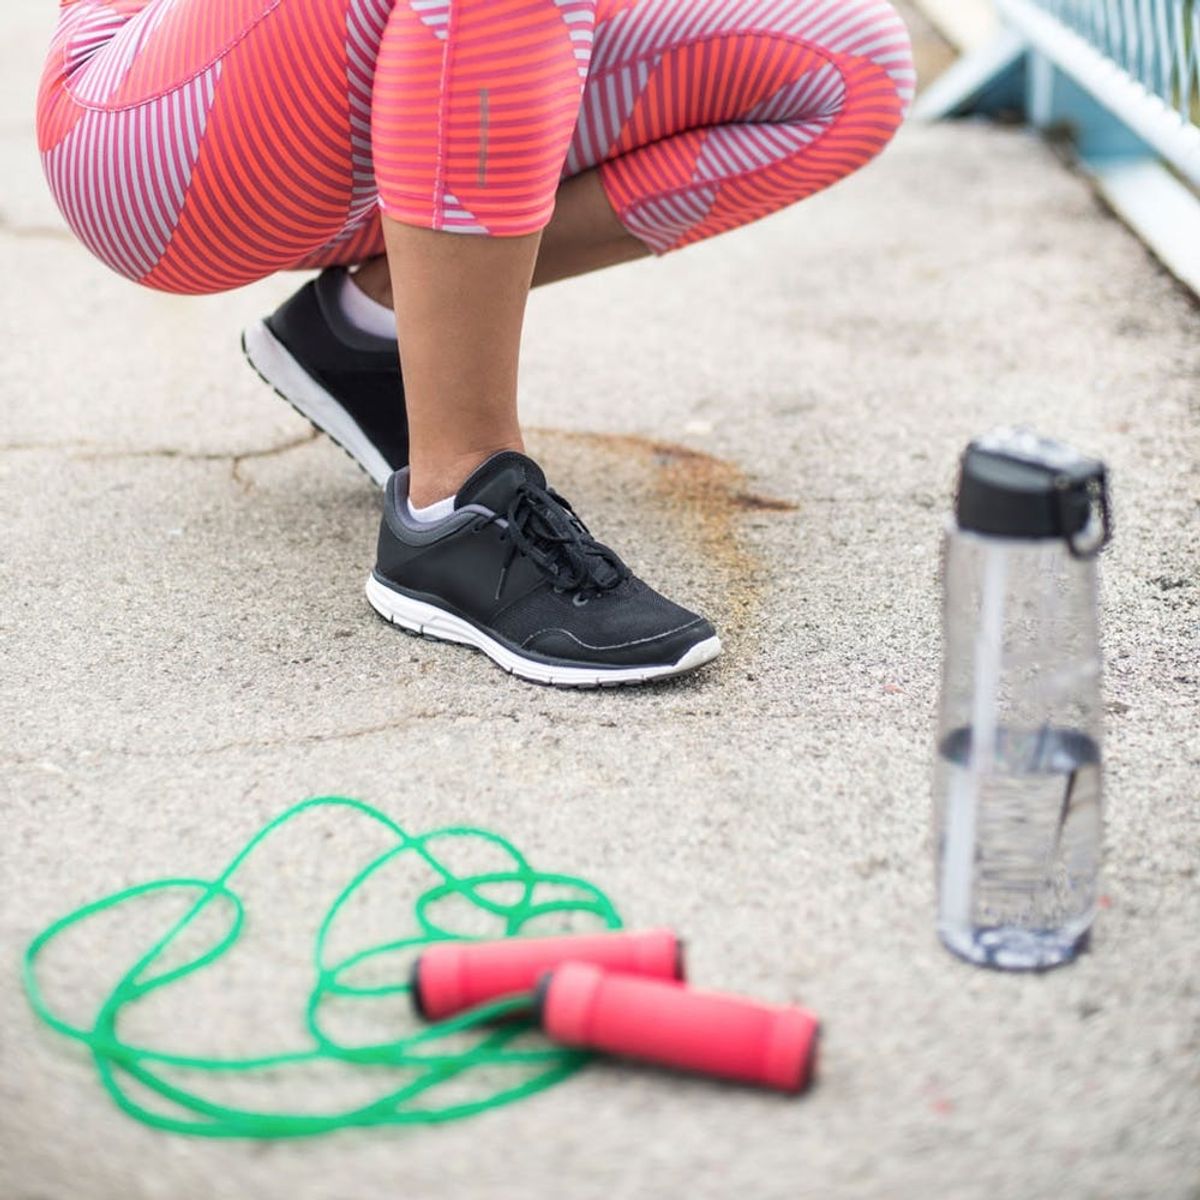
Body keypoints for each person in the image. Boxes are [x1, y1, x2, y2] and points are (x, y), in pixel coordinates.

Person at [37, 0, 914, 687]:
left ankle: (372, 321)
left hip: (389, 83)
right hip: (156, 121)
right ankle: (456, 503)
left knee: (849, 62)